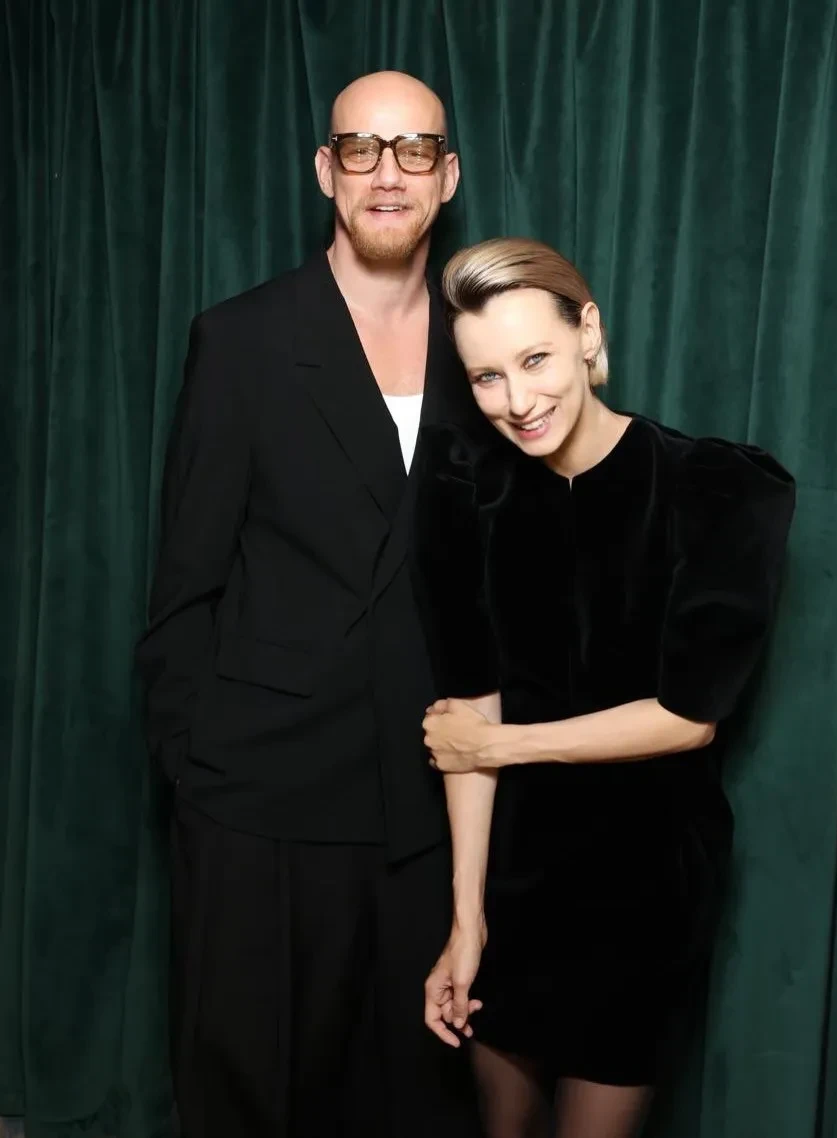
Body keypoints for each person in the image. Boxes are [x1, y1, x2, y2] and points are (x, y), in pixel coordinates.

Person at [136, 71, 486, 1138]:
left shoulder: (484, 349)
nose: (389, 174)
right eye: (362, 149)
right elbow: (184, 587)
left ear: (447, 176)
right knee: (251, 1102)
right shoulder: (241, 340)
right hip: (261, 804)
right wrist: (200, 776)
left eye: (414, 150)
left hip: (426, 801)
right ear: (326, 171)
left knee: (410, 1107)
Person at [414, 237, 795, 1138]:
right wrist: (466, 922)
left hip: (646, 881)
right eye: (487, 377)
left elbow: (688, 716)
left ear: (588, 332)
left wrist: (498, 743)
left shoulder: (715, 487)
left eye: (535, 360)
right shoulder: (468, 495)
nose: (517, 401)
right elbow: (470, 713)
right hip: (518, 873)